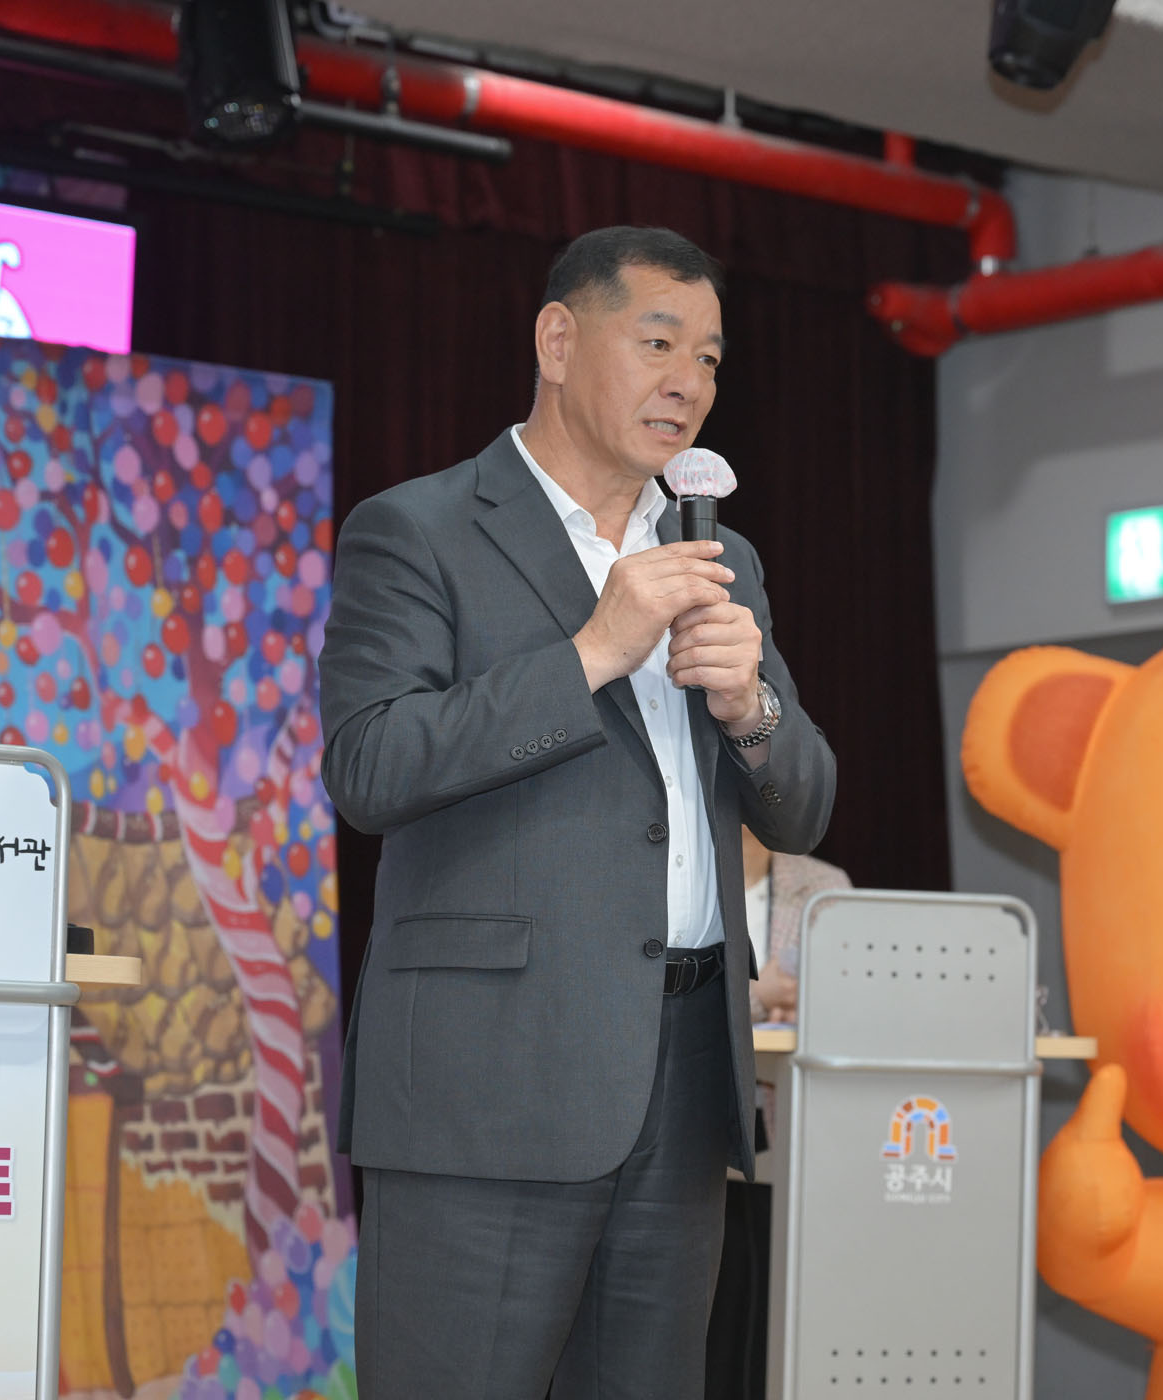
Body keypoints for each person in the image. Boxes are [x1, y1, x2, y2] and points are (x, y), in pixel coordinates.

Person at [318, 225, 838, 1400]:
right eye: (658, 342)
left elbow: (803, 806)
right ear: (558, 341)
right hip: (489, 1084)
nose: (688, 382)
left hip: (684, 1073)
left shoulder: (720, 556)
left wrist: (750, 706)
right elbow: (371, 764)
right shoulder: (420, 529)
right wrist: (595, 649)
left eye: (710, 358)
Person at [739, 824, 852, 1025]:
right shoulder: (680, 882)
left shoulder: (825, 886)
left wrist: (808, 1013)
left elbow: (847, 995)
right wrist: (757, 996)